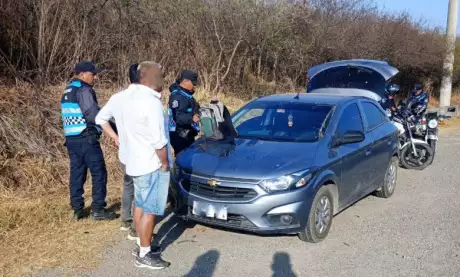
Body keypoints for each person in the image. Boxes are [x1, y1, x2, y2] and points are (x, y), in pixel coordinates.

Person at [116, 61, 171, 269]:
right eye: (158, 75)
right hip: (151, 164)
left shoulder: (129, 98)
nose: (162, 79)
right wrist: (165, 163)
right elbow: (158, 140)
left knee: (140, 205)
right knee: (150, 210)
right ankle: (145, 255)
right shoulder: (151, 103)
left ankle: (141, 244)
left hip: (135, 162)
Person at [61, 60, 115, 221]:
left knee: (77, 174)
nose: (95, 77)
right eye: (93, 74)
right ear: (83, 74)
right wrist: (112, 128)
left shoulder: (68, 89)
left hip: (72, 139)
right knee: (99, 173)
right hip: (86, 138)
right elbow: (92, 114)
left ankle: (77, 209)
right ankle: (98, 209)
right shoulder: (84, 90)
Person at [95, 63, 139, 236]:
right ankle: (136, 228)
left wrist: (115, 136)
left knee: (129, 186)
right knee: (142, 189)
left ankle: (126, 221)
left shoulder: (117, 97)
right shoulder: (146, 99)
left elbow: (100, 119)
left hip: (125, 153)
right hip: (142, 155)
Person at [167, 70, 201, 155]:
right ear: (185, 81)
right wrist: (192, 118)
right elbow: (178, 117)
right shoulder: (178, 97)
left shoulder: (185, 94)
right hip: (180, 137)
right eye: (193, 83)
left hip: (187, 134)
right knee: (183, 160)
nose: (194, 86)